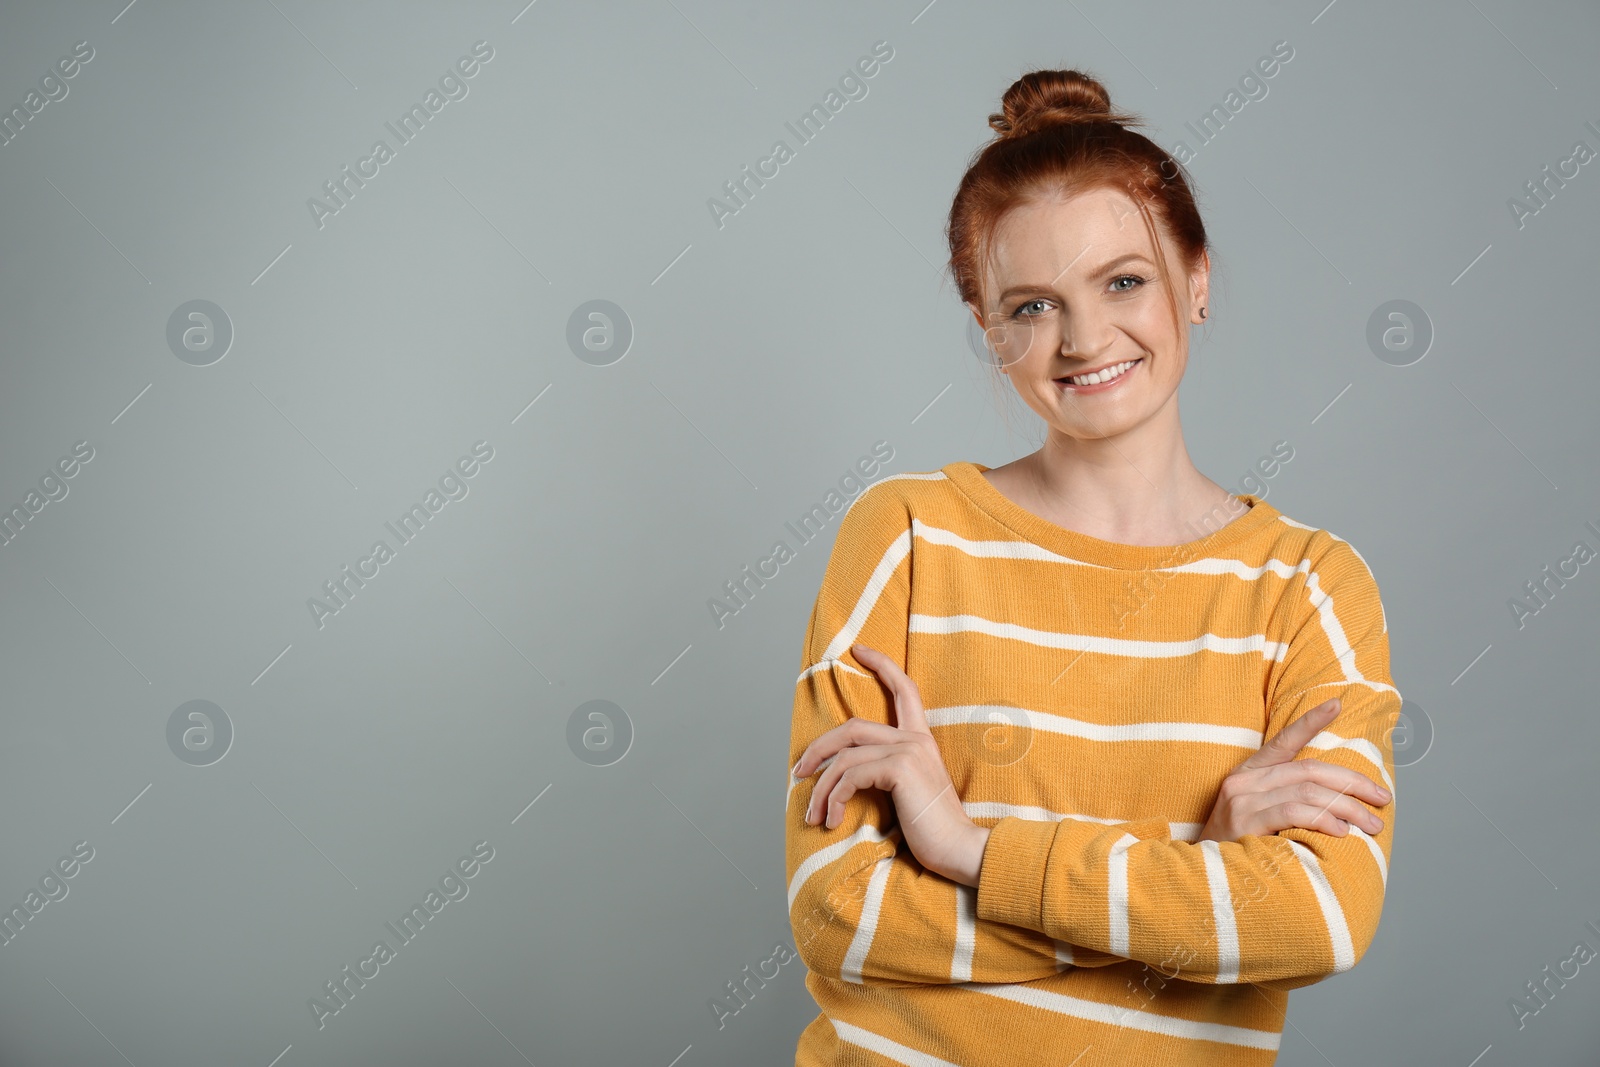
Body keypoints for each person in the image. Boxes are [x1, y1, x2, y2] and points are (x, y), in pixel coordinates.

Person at [784, 68, 1400, 1066]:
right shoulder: (903, 534)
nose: (1082, 338)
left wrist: (972, 852)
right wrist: (1195, 880)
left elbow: (1320, 919)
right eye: (1029, 304)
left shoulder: (1308, 586)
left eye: (1123, 280)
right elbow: (839, 913)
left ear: (1194, 279)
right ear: (989, 329)